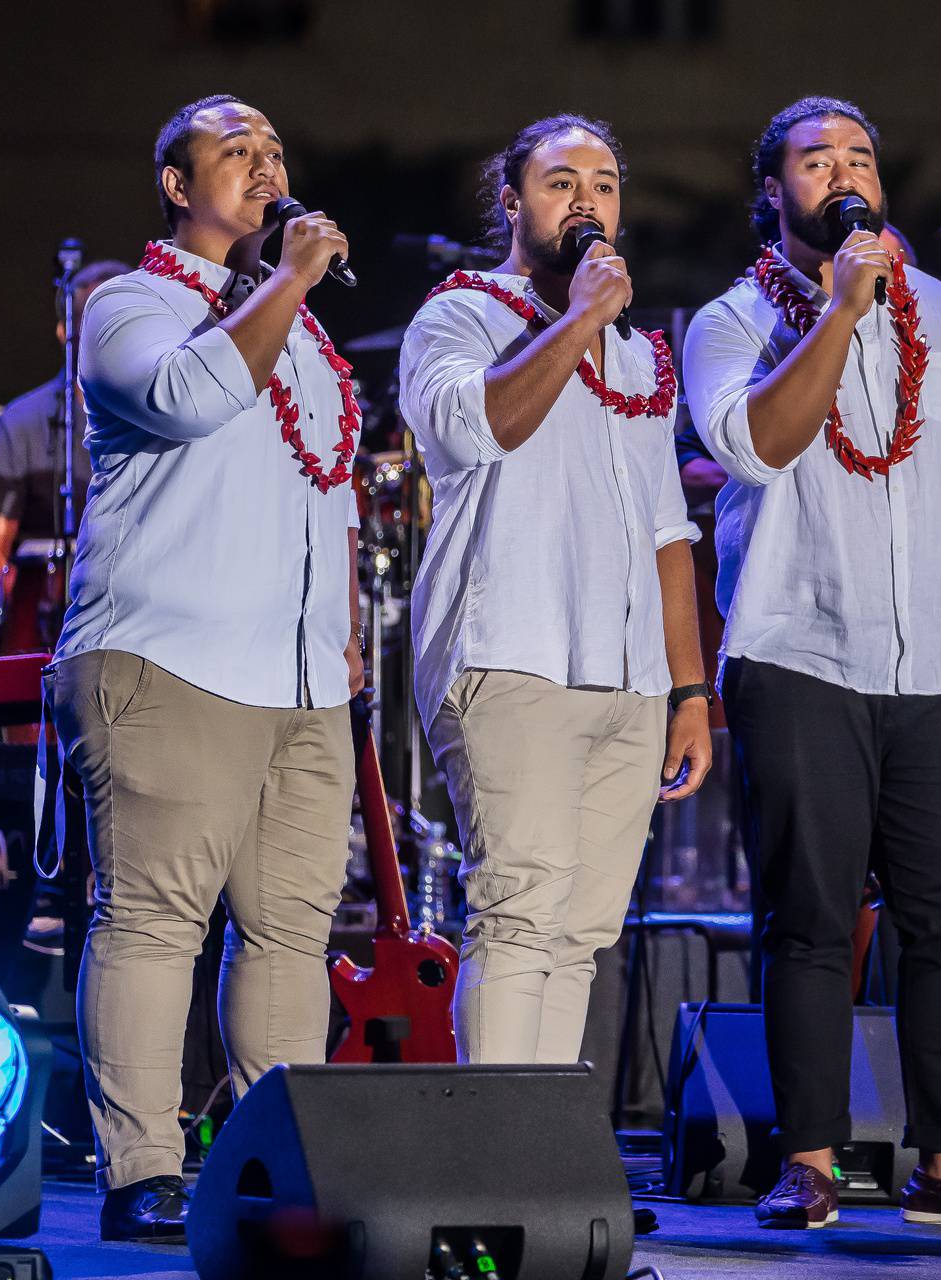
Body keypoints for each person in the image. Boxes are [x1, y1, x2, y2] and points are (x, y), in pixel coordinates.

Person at [681, 96, 941, 1229]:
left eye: (859, 156)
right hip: (799, 650)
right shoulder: (730, 321)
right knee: (811, 911)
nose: (842, 170)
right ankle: (810, 1159)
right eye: (814, 157)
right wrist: (839, 309)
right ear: (773, 189)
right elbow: (760, 440)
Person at [51, 93, 360, 1242]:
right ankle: (141, 1166)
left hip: (300, 681)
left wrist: (339, 638)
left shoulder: (309, 341)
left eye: (276, 149)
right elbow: (181, 398)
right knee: (153, 915)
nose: (265, 164)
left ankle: (278, 1160)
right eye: (236, 152)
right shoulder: (125, 304)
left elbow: (322, 491)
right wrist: (286, 280)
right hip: (169, 652)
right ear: (177, 186)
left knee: (290, 929)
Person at [399, 114, 711, 1066]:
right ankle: (493, 1161)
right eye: (561, 181)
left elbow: (668, 531)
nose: (587, 201)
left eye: (605, 184)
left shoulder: (640, 355)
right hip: (510, 651)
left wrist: (689, 691)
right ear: (512, 202)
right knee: (518, 907)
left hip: (628, 676)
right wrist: (580, 319)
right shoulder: (458, 316)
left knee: (582, 928)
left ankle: (544, 1154)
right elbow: (476, 430)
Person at [0, 258, 129, 618]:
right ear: (65, 331)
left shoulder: (168, 410)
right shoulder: (23, 422)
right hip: (46, 627)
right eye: (97, 324)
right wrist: (44, 613)